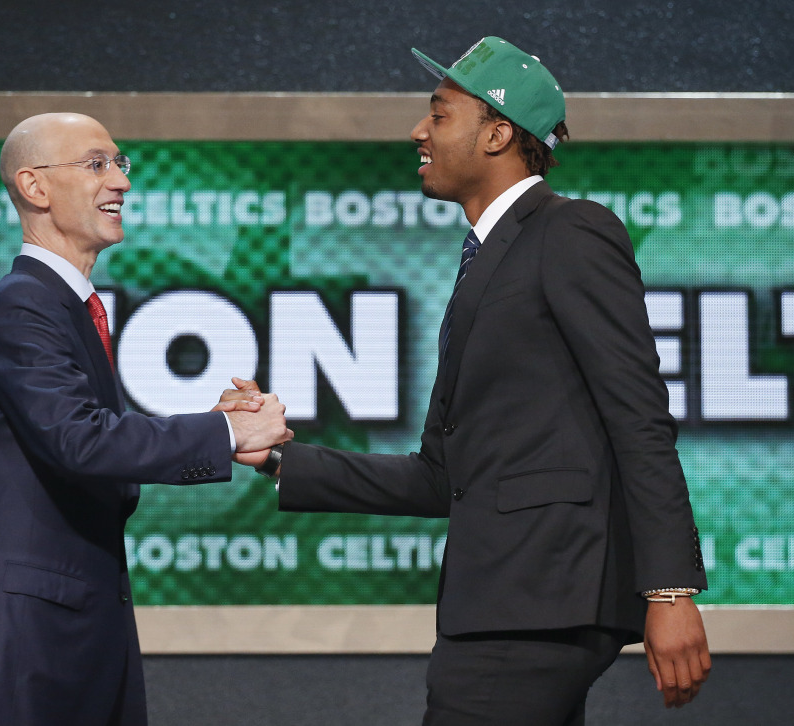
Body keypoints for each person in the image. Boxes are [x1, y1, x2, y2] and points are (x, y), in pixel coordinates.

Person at [227, 37, 710, 725]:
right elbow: (441, 476)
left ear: (497, 133)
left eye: (439, 114)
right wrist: (277, 458)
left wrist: (668, 590)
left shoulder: (570, 231)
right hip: (504, 608)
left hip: (536, 607)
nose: (418, 131)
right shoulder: (485, 262)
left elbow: (638, 416)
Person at [0, 112, 292, 726]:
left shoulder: (64, 307)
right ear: (34, 187)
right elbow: (79, 441)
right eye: (95, 165)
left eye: (120, 163)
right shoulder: (22, 304)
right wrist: (227, 433)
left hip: (66, 629)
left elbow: (80, 433)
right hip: (19, 641)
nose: (121, 182)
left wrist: (214, 422)